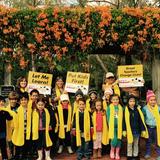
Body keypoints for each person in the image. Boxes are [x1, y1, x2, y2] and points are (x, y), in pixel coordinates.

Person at [123, 95, 148, 160]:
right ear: (128, 102)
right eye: (130, 101)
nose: (132, 103)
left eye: (133, 101)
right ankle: (129, 155)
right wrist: (124, 130)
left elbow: (141, 120)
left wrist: (143, 129)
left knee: (136, 143)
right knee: (129, 143)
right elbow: (124, 121)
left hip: (137, 130)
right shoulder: (126, 110)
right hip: (129, 130)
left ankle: (135, 155)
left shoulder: (138, 110)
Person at [12, 92, 33, 160]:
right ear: (20, 101)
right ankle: (17, 156)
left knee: (26, 146)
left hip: (28, 131)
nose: (23, 101)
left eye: (25, 99)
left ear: (27, 100)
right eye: (22, 100)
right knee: (18, 145)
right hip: (20, 131)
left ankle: (24, 156)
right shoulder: (17, 110)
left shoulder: (30, 109)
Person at [32, 96, 52, 160]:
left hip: (45, 130)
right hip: (37, 131)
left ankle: (47, 156)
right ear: (36, 104)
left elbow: (50, 119)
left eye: (42, 105)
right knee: (39, 144)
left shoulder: (46, 111)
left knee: (46, 143)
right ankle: (40, 156)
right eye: (39, 105)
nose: (40, 106)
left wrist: (50, 125)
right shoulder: (34, 112)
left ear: (44, 104)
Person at [142, 90, 160, 160]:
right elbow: (143, 118)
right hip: (148, 127)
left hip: (157, 128)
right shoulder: (145, 108)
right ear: (148, 101)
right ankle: (148, 153)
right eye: (151, 100)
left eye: (154, 100)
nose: (153, 101)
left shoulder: (158, 108)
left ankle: (159, 153)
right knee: (148, 141)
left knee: (158, 141)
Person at [107, 94, 123, 160]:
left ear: (119, 100)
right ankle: (112, 151)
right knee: (114, 140)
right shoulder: (109, 107)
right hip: (112, 127)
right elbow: (108, 117)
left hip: (119, 127)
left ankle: (117, 153)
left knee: (119, 140)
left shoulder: (121, 108)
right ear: (111, 100)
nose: (115, 101)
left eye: (117, 99)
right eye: (114, 99)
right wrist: (110, 125)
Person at [6, 91, 19, 159]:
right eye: (11, 99)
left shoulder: (19, 107)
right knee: (9, 143)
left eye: (15, 99)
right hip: (9, 129)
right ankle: (10, 155)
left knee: (16, 144)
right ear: (9, 99)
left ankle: (16, 155)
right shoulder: (6, 108)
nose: (13, 101)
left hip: (17, 128)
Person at [0, 95, 13, 160]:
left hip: (2, 132)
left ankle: (5, 157)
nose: (1, 102)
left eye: (3, 101)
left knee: (3, 146)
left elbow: (10, 118)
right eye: (0, 101)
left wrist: (11, 113)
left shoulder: (4, 111)